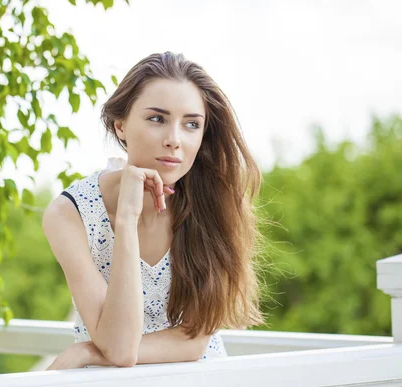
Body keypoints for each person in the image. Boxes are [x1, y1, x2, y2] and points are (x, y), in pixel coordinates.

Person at [42, 51, 266, 370]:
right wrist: (127, 218)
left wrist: (87, 352)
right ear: (120, 125)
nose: (174, 140)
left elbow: (191, 340)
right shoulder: (70, 213)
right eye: (157, 119)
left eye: (191, 124)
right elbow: (120, 347)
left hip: (200, 385)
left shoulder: (214, 201)